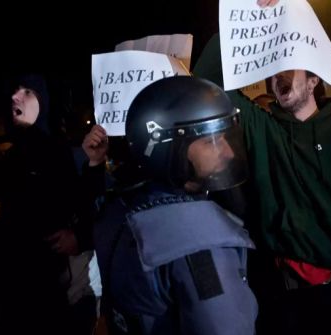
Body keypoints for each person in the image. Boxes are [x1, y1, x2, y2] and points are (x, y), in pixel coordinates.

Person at [192, 1, 331, 333]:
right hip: (288, 304)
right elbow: (208, 82)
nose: (279, 78)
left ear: (314, 78)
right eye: (273, 72)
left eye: (289, 68)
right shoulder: (263, 130)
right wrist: (246, 20)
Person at [82, 76, 257, 335]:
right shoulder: (199, 243)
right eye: (211, 140)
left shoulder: (120, 207)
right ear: (170, 146)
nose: (228, 152)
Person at [0, 74, 96, 334]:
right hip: (17, 294)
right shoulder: (10, 158)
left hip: (56, 296)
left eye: (27, 91)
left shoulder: (61, 154)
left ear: (44, 100)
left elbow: (91, 206)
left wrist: (80, 237)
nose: (16, 97)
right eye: (14, 91)